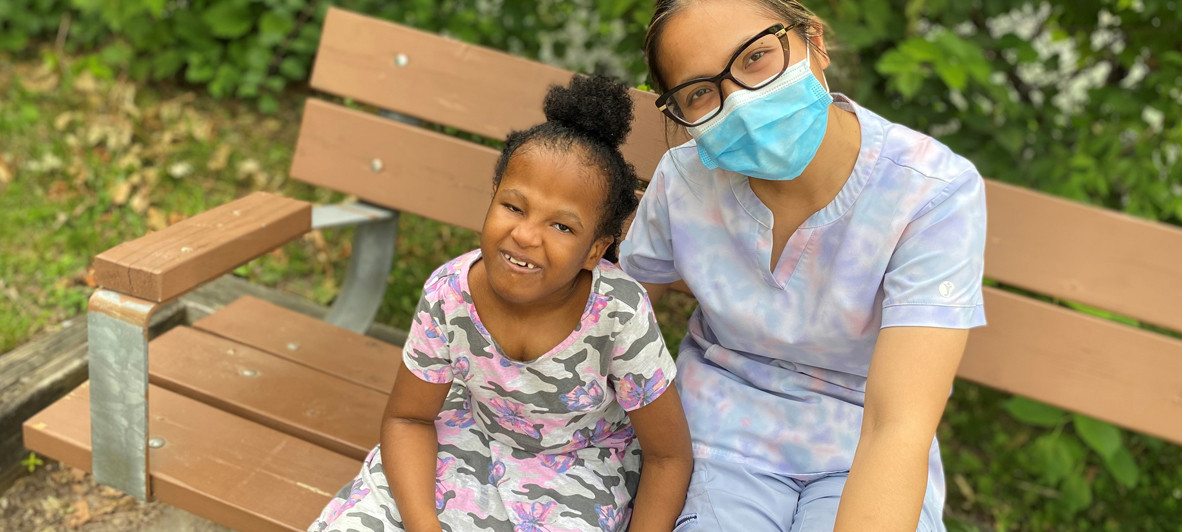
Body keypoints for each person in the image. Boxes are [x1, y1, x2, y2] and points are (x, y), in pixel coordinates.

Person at [619, 1, 988, 531]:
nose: (740, 103)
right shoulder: (683, 180)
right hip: (718, 436)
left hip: (864, 440)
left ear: (814, 41)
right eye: (700, 92)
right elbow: (615, 324)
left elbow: (897, 424)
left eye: (756, 57)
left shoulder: (930, 191)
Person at [308, 75, 693, 532]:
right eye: (514, 207)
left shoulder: (618, 313)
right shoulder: (449, 293)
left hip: (579, 471)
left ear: (595, 249)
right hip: (465, 441)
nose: (526, 235)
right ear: (491, 199)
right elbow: (409, 419)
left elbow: (668, 456)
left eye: (563, 227)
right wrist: (422, 525)